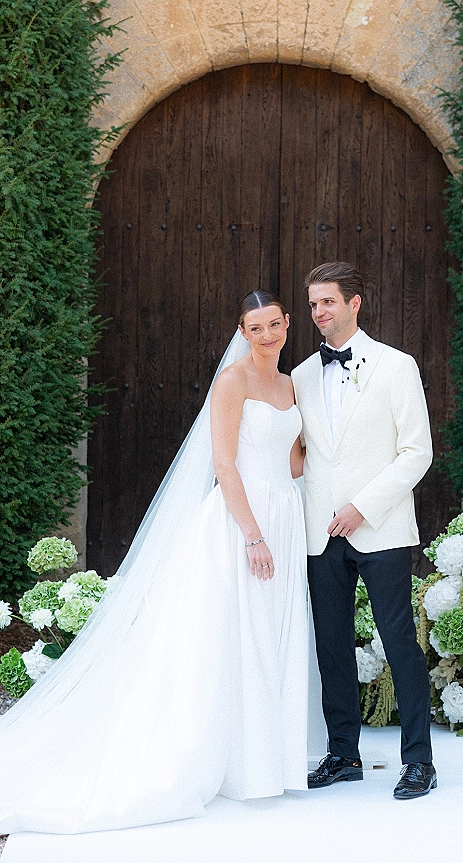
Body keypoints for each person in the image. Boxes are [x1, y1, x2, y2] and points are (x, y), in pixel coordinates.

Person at [0, 291, 310, 834]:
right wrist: (254, 535)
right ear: (242, 330)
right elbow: (224, 463)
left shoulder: (290, 385)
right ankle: (225, 762)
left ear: (287, 325)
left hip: (285, 514)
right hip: (244, 523)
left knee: (271, 635)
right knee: (235, 638)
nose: (267, 335)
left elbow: (294, 459)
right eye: (255, 327)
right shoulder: (233, 381)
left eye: (275, 324)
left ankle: (263, 762)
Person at [291, 262, 436, 800]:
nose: (319, 312)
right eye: (312, 304)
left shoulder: (397, 367)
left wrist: (361, 507)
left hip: (382, 530)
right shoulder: (302, 375)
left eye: (328, 301)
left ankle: (419, 761)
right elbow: (303, 453)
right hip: (320, 534)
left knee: (400, 644)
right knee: (332, 646)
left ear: (355, 304)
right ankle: (341, 753)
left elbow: (416, 453)